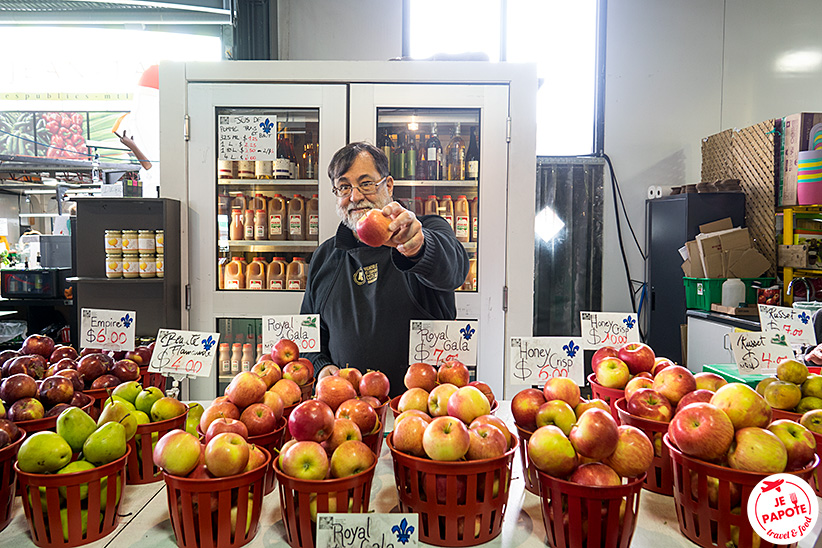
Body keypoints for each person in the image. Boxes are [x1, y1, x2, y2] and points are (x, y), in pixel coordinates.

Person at [300, 142, 469, 397]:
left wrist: (416, 247)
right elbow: (308, 337)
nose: (355, 197)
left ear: (388, 186)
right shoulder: (325, 257)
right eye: (344, 187)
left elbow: (454, 270)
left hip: (422, 415)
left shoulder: (427, 229)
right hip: (346, 415)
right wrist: (321, 368)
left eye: (366, 183)